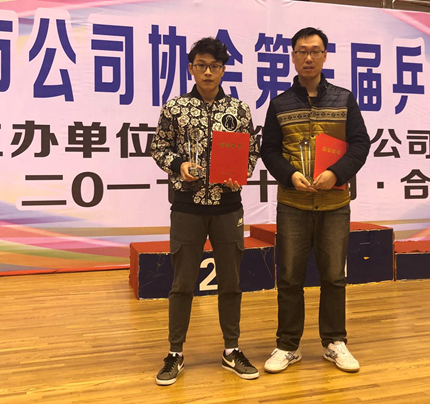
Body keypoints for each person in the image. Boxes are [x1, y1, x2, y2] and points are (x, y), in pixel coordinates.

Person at [150, 37, 260, 386]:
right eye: (201, 65)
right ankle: (175, 352)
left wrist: (240, 173)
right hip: (187, 206)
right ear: (191, 68)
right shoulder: (175, 108)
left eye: (214, 66)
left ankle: (232, 349)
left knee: (231, 282)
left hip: (228, 207)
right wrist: (179, 165)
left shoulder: (239, 110)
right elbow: (159, 147)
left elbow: (252, 151)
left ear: (223, 69)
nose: (208, 72)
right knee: (182, 283)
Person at [260, 27, 370, 374]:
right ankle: (287, 345)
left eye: (315, 51)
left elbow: (360, 144)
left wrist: (336, 173)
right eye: (302, 51)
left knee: (334, 276)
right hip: (292, 203)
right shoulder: (279, 103)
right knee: (290, 277)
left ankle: (334, 342)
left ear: (324, 56)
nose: (308, 57)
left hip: (334, 204)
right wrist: (290, 175)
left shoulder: (344, 98)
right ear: (293, 57)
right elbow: (269, 150)